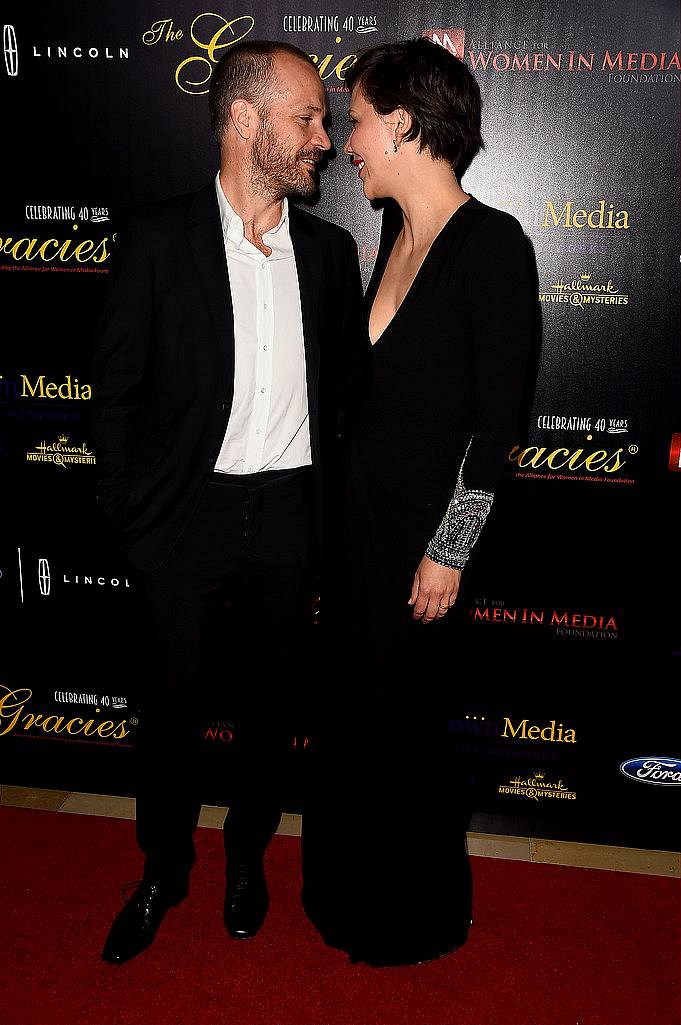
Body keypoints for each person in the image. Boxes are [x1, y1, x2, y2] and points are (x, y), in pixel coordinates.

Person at [92, 39, 364, 965]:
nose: (323, 139)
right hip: (184, 521)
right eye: (307, 118)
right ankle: (163, 869)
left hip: (290, 520)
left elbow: (348, 407)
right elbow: (114, 394)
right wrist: (136, 521)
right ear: (244, 121)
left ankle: (246, 859)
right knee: (166, 717)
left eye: (325, 122)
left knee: (267, 717)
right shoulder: (159, 237)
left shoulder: (328, 256)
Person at [300, 38, 534, 967]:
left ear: (402, 121)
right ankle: (345, 896)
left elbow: (499, 424)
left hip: (424, 550)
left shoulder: (494, 244)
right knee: (353, 724)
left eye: (356, 120)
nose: (345, 142)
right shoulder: (396, 235)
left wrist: (450, 547)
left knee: (407, 734)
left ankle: (415, 914)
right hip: (355, 539)